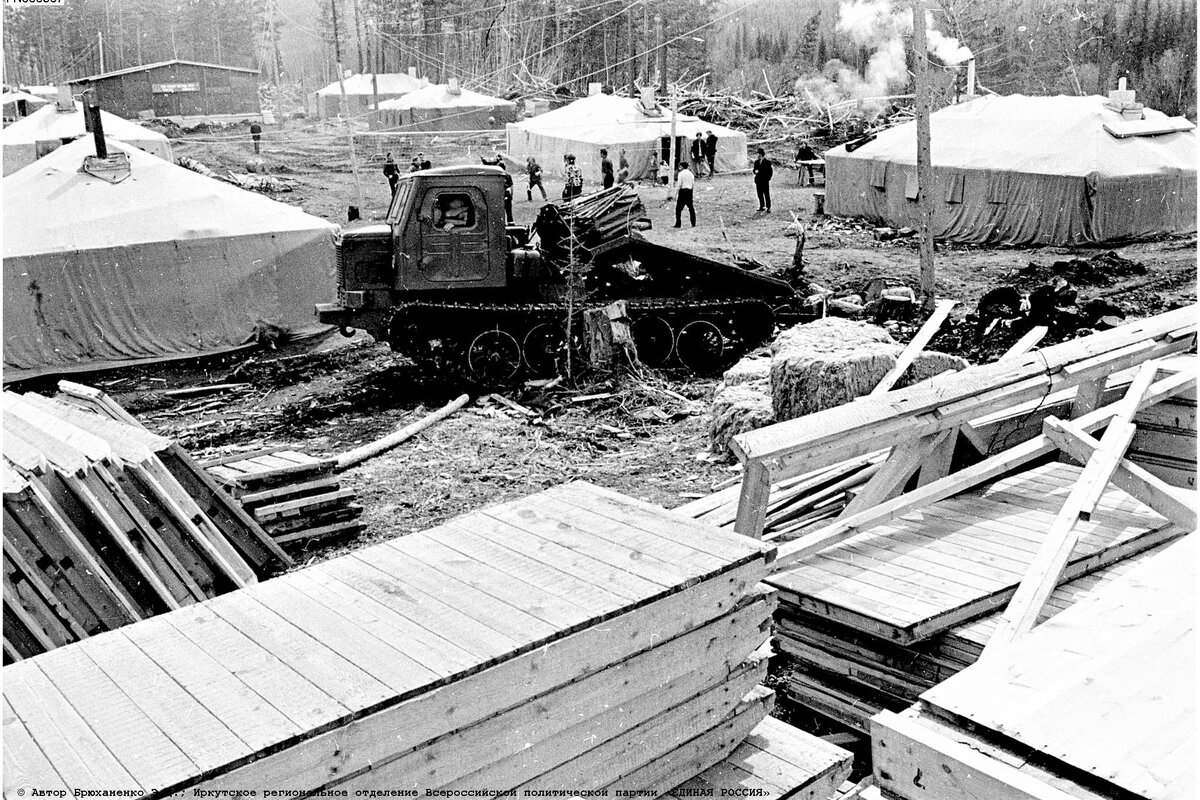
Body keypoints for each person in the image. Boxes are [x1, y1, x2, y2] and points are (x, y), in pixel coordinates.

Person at [674, 163, 696, 228]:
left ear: (682, 167)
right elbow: (693, 184)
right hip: (689, 191)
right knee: (691, 208)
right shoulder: (691, 174)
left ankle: (678, 223)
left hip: (682, 191)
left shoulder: (680, 174)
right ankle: (693, 223)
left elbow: (679, 184)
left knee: (678, 209)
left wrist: (676, 193)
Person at [753, 147, 773, 213]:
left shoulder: (767, 162)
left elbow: (770, 172)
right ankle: (762, 206)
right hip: (758, 181)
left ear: (761, 154)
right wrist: (755, 171)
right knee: (759, 194)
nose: (757, 155)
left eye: (758, 154)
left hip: (764, 181)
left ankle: (768, 207)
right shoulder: (756, 162)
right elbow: (754, 170)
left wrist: (767, 179)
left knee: (766, 194)